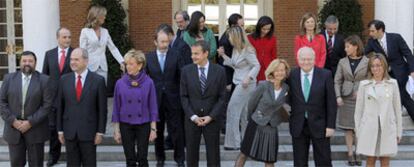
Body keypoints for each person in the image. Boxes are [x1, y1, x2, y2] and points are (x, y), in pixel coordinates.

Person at [0, 51, 53, 167]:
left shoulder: (44, 80)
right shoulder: (9, 79)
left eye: (30, 61)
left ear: (35, 63)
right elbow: (2, 102)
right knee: (16, 164)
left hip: (36, 129)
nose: (27, 63)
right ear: (20, 63)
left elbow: (47, 105)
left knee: (36, 164)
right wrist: (13, 121)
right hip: (14, 130)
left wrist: (30, 122)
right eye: (24, 61)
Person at [235, 59, 290, 167]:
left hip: (272, 126)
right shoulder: (263, 85)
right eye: (277, 70)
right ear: (272, 71)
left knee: (270, 158)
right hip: (256, 123)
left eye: (282, 70)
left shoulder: (286, 88)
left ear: (286, 72)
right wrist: (253, 118)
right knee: (244, 153)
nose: (280, 73)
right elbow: (251, 104)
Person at [57, 48, 107, 166]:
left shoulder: (98, 81)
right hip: (70, 132)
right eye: (71, 59)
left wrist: (100, 132)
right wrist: (60, 130)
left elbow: (102, 109)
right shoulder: (64, 80)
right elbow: (60, 107)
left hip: (89, 132)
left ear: (86, 61)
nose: (73, 62)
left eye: (76, 59)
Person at [287, 47, 337, 166]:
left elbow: (331, 102)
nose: (306, 62)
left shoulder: (325, 74)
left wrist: (331, 126)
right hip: (298, 124)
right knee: (299, 161)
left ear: (314, 59)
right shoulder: (291, 74)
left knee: (323, 160)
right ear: (298, 59)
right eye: (303, 59)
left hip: (320, 125)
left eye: (309, 59)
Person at [180, 40, 227, 167]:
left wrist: (211, 116)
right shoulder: (185, 71)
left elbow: (222, 98)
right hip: (192, 120)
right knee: (191, 155)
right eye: (192, 53)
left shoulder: (219, 71)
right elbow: (183, 97)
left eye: (196, 54)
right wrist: (193, 116)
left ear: (206, 53)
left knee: (213, 156)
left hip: (212, 120)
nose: (192, 56)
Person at [145, 24, 185, 167]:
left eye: (167, 41)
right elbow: (145, 80)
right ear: (155, 42)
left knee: (177, 130)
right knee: (158, 130)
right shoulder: (148, 58)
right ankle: (160, 159)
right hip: (155, 100)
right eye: (162, 42)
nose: (165, 44)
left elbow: (182, 78)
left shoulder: (176, 55)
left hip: (173, 99)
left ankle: (180, 159)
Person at [112, 49, 158, 167]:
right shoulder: (120, 83)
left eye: (131, 64)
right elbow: (116, 108)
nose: (128, 66)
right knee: (130, 159)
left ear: (140, 65)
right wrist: (116, 130)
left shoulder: (149, 82)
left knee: (143, 158)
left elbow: (153, 107)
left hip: (143, 124)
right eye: (127, 64)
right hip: (125, 125)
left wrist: (153, 129)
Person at [354, 53, 402, 167]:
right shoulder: (364, 85)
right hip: (369, 128)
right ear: (370, 68)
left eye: (379, 65)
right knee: (370, 159)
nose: (376, 68)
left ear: (384, 66)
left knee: (385, 159)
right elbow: (358, 111)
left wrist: (398, 131)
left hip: (387, 127)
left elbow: (397, 109)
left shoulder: (392, 84)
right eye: (373, 66)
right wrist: (358, 130)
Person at [218, 26, 260, 150]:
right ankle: (247, 142)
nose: (229, 39)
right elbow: (234, 65)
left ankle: (233, 143)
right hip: (239, 82)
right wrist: (223, 55)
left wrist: (249, 77)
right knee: (243, 113)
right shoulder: (237, 49)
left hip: (246, 84)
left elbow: (257, 65)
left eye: (230, 36)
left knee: (232, 109)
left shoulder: (248, 50)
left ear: (236, 37)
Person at [365, 19, 414, 120]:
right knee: (398, 95)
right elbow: (364, 54)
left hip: (401, 71)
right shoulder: (372, 42)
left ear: (380, 30)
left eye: (372, 31)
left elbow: (408, 54)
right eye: (370, 31)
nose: (370, 34)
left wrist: (412, 70)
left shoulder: (396, 37)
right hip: (387, 74)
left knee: (401, 93)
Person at [334, 35, 368, 166]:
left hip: (361, 98)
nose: (345, 48)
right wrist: (338, 96)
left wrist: (362, 90)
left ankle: (358, 152)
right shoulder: (342, 62)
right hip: (346, 98)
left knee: (358, 127)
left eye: (348, 46)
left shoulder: (367, 61)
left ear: (356, 46)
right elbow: (337, 81)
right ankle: (350, 153)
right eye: (345, 46)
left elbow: (370, 79)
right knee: (348, 128)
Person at [42, 27, 74, 167]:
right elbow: (45, 76)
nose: (67, 39)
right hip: (53, 99)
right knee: (53, 128)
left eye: (69, 37)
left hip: (71, 98)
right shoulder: (49, 54)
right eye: (64, 37)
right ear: (58, 38)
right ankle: (53, 157)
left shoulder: (76, 53)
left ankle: (72, 156)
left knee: (71, 127)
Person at [79, 5, 124, 83]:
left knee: (102, 91)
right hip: (89, 67)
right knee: (90, 92)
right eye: (103, 15)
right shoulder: (85, 31)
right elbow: (82, 51)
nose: (104, 17)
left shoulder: (105, 31)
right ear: (97, 16)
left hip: (103, 67)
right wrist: (83, 67)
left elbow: (113, 48)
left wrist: (121, 61)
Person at [218, 13, 244, 90]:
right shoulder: (226, 39)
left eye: (243, 25)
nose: (243, 28)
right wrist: (228, 81)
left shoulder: (236, 36)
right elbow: (223, 62)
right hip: (230, 78)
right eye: (241, 26)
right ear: (233, 26)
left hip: (237, 75)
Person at [248, 16, 277, 81]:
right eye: (264, 29)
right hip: (254, 67)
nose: (266, 31)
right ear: (259, 27)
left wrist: (273, 69)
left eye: (268, 29)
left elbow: (274, 55)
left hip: (267, 68)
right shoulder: (250, 38)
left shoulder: (273, 39)